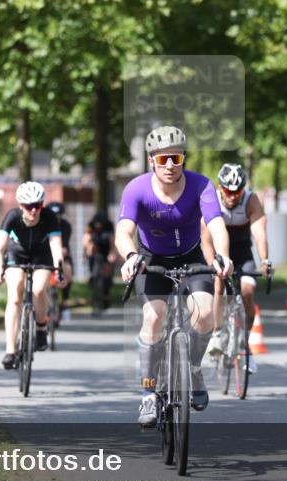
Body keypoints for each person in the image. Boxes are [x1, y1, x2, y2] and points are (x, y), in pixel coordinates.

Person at [116, 125, 233, 427]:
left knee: (204, 313)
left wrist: (222, 256)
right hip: (151, 259)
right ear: (151, 160)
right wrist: (130, 257)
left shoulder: (201, 186)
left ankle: (192, 369)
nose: (170, 165)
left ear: (184, 159)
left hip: (192, 257)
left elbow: (217, 224)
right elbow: (124, 231)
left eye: (176, 159)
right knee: (154, 317)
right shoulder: (136, 189)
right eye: (163, 158)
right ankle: (148, 392)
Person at [204, 163, 273, 372]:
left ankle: (245, 346)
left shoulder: (251, 200)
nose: (233, 196)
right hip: (219, 251)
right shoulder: (212, 201)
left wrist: (265, 261)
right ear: (220, 188)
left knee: (248, 292)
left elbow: (259, 233)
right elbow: (205, 239)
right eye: (228, 191)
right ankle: (216, 333)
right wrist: (211, 264)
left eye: (237, 191)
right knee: (218, 286)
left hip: (243, 252)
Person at [0, 182, 65, 369]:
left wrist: (60, 268)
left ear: (42, 205)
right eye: (28, 206)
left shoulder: (49, 216)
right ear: (20, 206)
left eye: (37, 206)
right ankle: (10, 350)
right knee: (15, 294)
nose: (33, 211)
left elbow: (56, 246)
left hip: (42, 255)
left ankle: (41, 328)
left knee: (39, 290)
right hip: (17, 254)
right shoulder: (12, 217)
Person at [46, 202, 73, 323]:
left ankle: (65, 301)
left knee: (67, 270)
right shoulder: (43, 224)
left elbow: (65, 245)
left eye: (58, 214)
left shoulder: (66, 225)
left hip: (62, 254)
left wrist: (62, 251)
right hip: (46, 256)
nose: (56, 217)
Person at [83, 211, 116, 308]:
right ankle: (94, 289)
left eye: (99, 225)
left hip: (106, 250)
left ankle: (106, 295)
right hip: (95, 250)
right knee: (94, 273)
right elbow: (86, 238)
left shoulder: (109, 226)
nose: (98, 227)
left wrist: (112, 253)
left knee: (107, 273)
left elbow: (112, 240)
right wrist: (85, 253)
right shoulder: (91, 225)